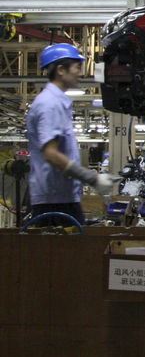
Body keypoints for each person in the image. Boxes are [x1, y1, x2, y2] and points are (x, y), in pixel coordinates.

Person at [26, 44, 113, 226]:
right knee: (64, 253)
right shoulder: (49, 104)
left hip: (61, 196)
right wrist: (92, 178)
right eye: (77, 67)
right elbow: (51, 154)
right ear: (60, 70)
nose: (81, 73)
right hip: (54, 200)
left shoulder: (57, 101)